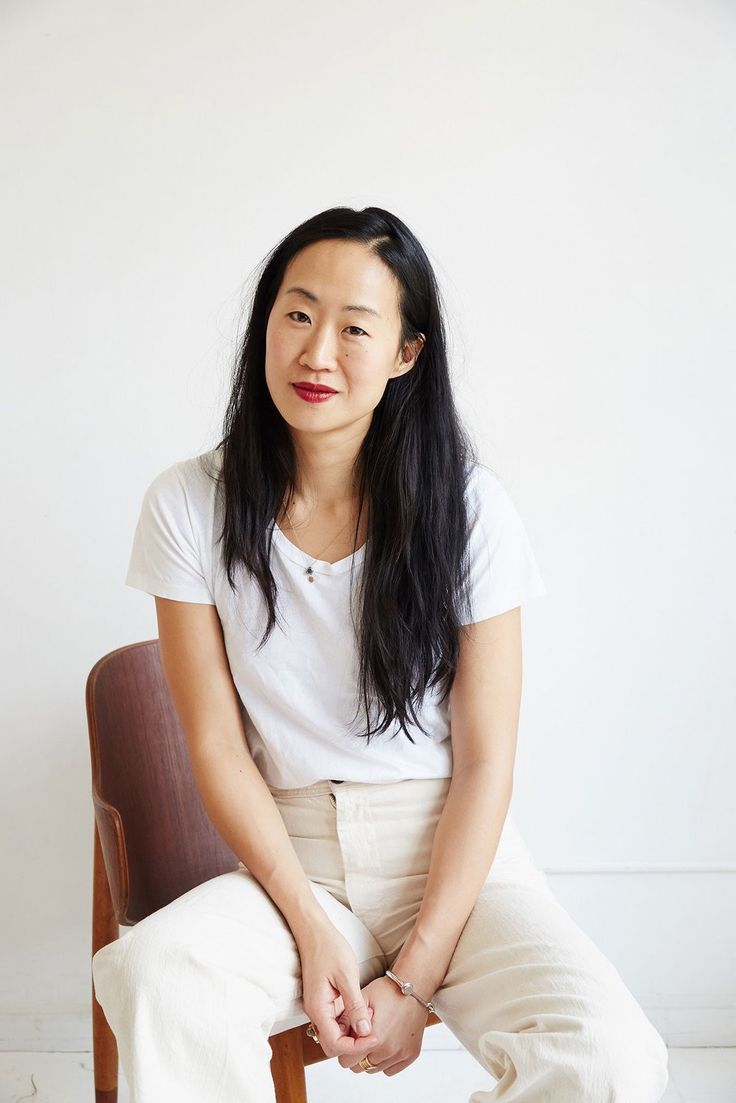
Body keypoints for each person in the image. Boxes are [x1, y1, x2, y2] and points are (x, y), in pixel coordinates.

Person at [92, 205, 669, 1102]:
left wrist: (416, 977)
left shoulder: (470, 510)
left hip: (450, 854)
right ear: (265, 325)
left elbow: (485, 762)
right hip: (294, 855)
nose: (318, 353)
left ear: (406, 353)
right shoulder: (187, 503)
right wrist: (309, 925)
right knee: (154, 973)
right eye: (297, 313)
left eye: (355, 327)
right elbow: (214, 747)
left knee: (610, 1057)